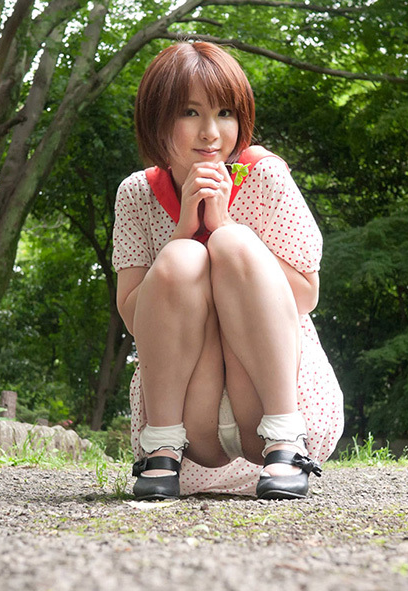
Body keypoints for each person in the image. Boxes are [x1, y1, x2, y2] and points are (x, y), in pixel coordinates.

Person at [112, 41, 343, 500]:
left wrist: (224, 226)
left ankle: (286, 443)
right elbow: (133, 316)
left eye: (224, 113)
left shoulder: (264, 176)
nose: (210, 133)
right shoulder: (137, 193)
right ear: (157, 119)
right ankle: (160, 450)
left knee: (232, 244)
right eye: (190, 113)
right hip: (186, 425)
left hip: (273, 401)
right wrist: (183, 232)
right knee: (181, 258)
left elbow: (306, 294)